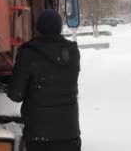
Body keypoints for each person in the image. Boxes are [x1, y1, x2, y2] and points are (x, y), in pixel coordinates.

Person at [7, 9, 81, 151]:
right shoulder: (72, 51)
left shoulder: (29, 53)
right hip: (69, 132)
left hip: (39, 136)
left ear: (38, 27)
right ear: (59, 27)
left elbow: (16, 95)